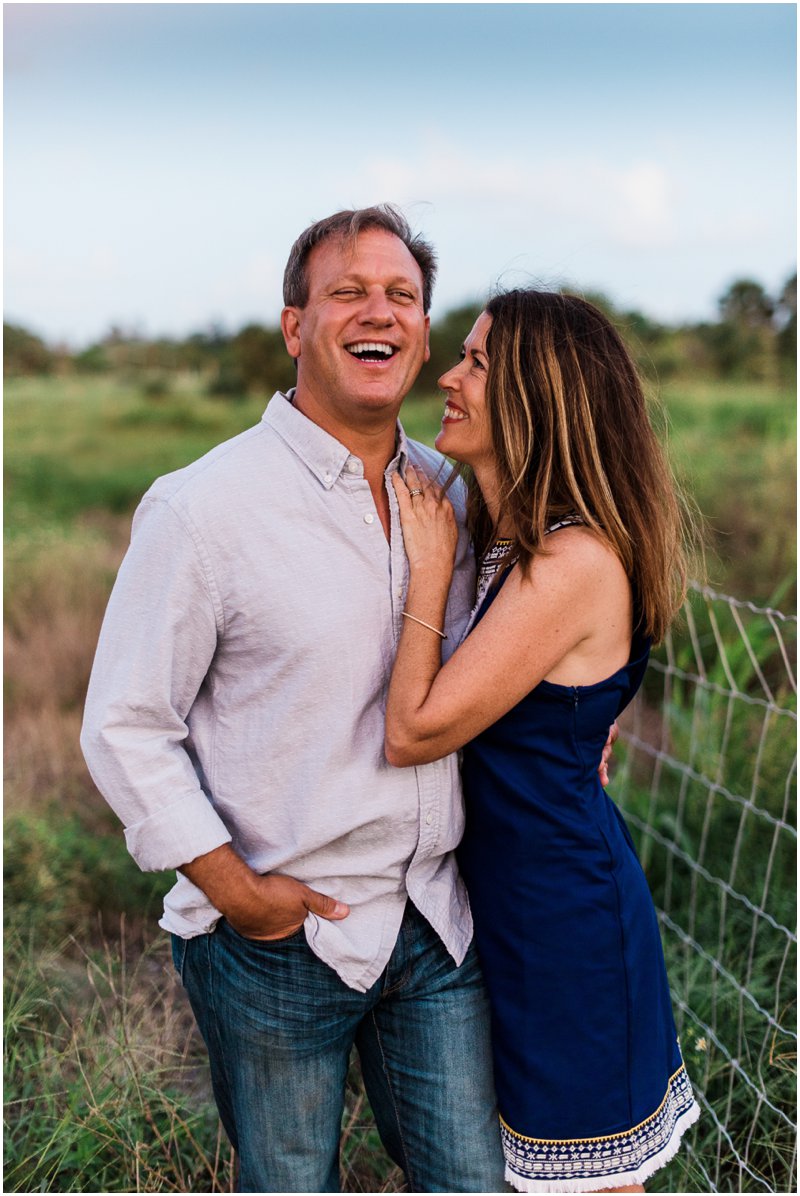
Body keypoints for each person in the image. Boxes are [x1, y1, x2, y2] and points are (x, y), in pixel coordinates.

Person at [80, 204, 512, 1193]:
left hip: (437, 920)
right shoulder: (203, 507)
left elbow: (515, 650)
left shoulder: (455, 492)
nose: (380, 311)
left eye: (401, 294)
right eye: (347, 291)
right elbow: (125, 722)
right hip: (281, 929)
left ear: (424, 326)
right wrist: (234, 888)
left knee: (470, 1181)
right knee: (287, 1181)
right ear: (294, 325)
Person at [384, 289, 701, 1193]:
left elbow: (413, 731)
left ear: (536, 394)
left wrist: (427, 568)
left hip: (566, 930)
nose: (447, 373)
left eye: (476, 362)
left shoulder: (573, 562)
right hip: (505, 915)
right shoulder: (512, 538)